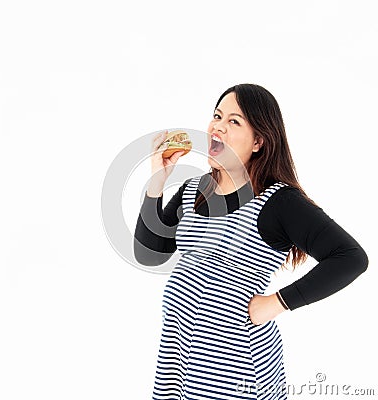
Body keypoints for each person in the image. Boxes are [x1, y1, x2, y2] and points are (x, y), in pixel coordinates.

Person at [134, 84, 368, 400]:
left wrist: (275, 303)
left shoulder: (279, 202)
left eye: (234, 121)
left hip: (236, 370)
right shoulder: (193, 191)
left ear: (258, 141)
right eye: (217, 116)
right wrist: (157, 180)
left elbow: (350, 257)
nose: (218, 126)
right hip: (177, 364)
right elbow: (150, 253)